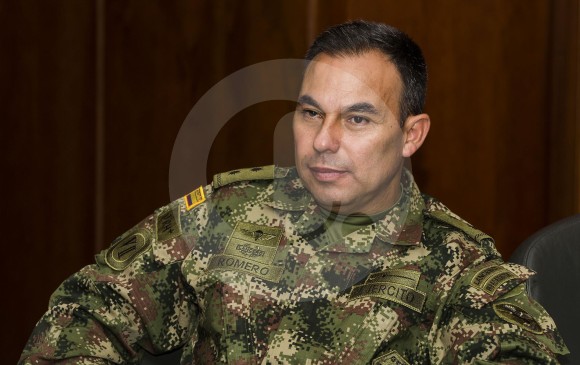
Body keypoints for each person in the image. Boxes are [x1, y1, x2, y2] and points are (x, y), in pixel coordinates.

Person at [20, 20, 568, 364]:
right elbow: (89, 308)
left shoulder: (459, 268)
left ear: (412, 135)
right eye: (310, 113)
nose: (322, 141)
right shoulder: (222, 215)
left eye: (357, 119)